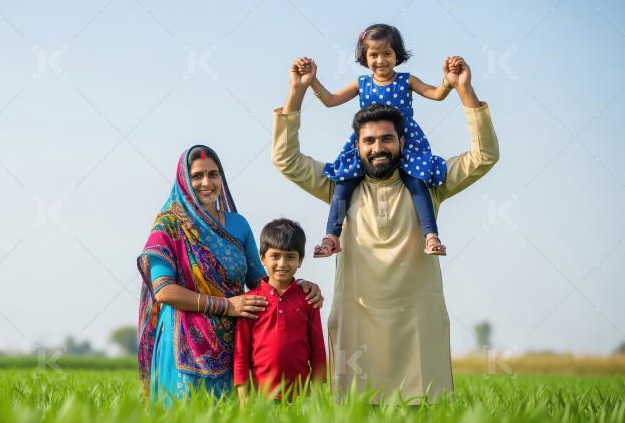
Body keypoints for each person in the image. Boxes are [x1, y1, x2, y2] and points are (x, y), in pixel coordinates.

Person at [272, 57, 499, 403]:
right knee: (356, 406)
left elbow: (483, 157)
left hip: (418, 326)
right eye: (369, 141)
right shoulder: (338, 188)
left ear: (403, 142)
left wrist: (465, 91)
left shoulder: (429, 182)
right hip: (357, 322)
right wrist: (296, 93)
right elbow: (286, 159)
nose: (377, 148)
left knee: (423, 406)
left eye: (386, 139)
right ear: (357, 146)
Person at [136, 145, 324, 405]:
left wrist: (299, 284)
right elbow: (164, 290)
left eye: (214, 174)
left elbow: (261, 278)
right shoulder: (169, 226)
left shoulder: (238, 224)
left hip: (232, 344)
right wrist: (226, 305)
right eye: (197, 176)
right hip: (183, 345)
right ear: (183, 181)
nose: (206, 182)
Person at [298, 24, 455, 258]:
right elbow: (330, 100)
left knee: (417, 181)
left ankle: (431, 236)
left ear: (397, 55)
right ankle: (331, 236)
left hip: (405, 140)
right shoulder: (362, 83)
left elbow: (436, 94)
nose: (380, 60)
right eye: (373, 54)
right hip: (368, 141)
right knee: (344, 181)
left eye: (387, 53)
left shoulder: (406, 80)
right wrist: (312, 81)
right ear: (364, 56)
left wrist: (449, 81)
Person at [233, 218, 327, 403]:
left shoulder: (308, 299)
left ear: (300, 260)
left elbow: (318, 351)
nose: (282, 263)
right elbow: (241, 354)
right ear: (262, 258)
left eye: (290, 256)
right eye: (275, 256)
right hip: (261, 399)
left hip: (301, 399)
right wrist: (244, 402)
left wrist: (318, 400)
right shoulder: (251, 301)